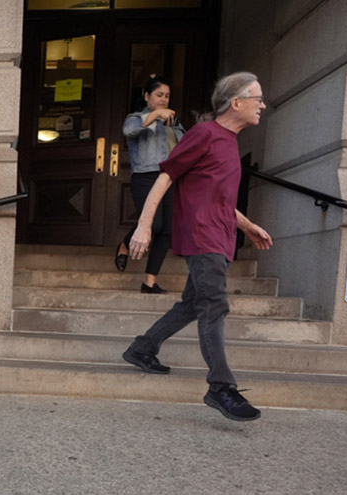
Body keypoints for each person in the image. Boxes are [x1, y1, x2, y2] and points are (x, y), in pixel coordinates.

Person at [120, 72, 274, 422]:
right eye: (257, 98)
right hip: (202, 236)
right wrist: (144, 226)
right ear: (236, 102)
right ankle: (220, 386)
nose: (262, 105)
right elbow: (166, 175)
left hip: (220, 235)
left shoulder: (229, 143)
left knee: (193, 303)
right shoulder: (205, 134)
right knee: (214, 304)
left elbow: (218, 199)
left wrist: (248, 227)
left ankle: (143, 348)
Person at [116, 75, 184, 294]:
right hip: (145, 176)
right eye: (159, 95)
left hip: (171, 178)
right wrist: (155, 115)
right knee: (153, 224)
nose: (163, 100)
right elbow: (129, 132)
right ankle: (125, 245)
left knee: (167, 231)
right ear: (147, 96)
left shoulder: (175, 122)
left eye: (167, 96)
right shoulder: (135, 118)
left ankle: (149, 282)